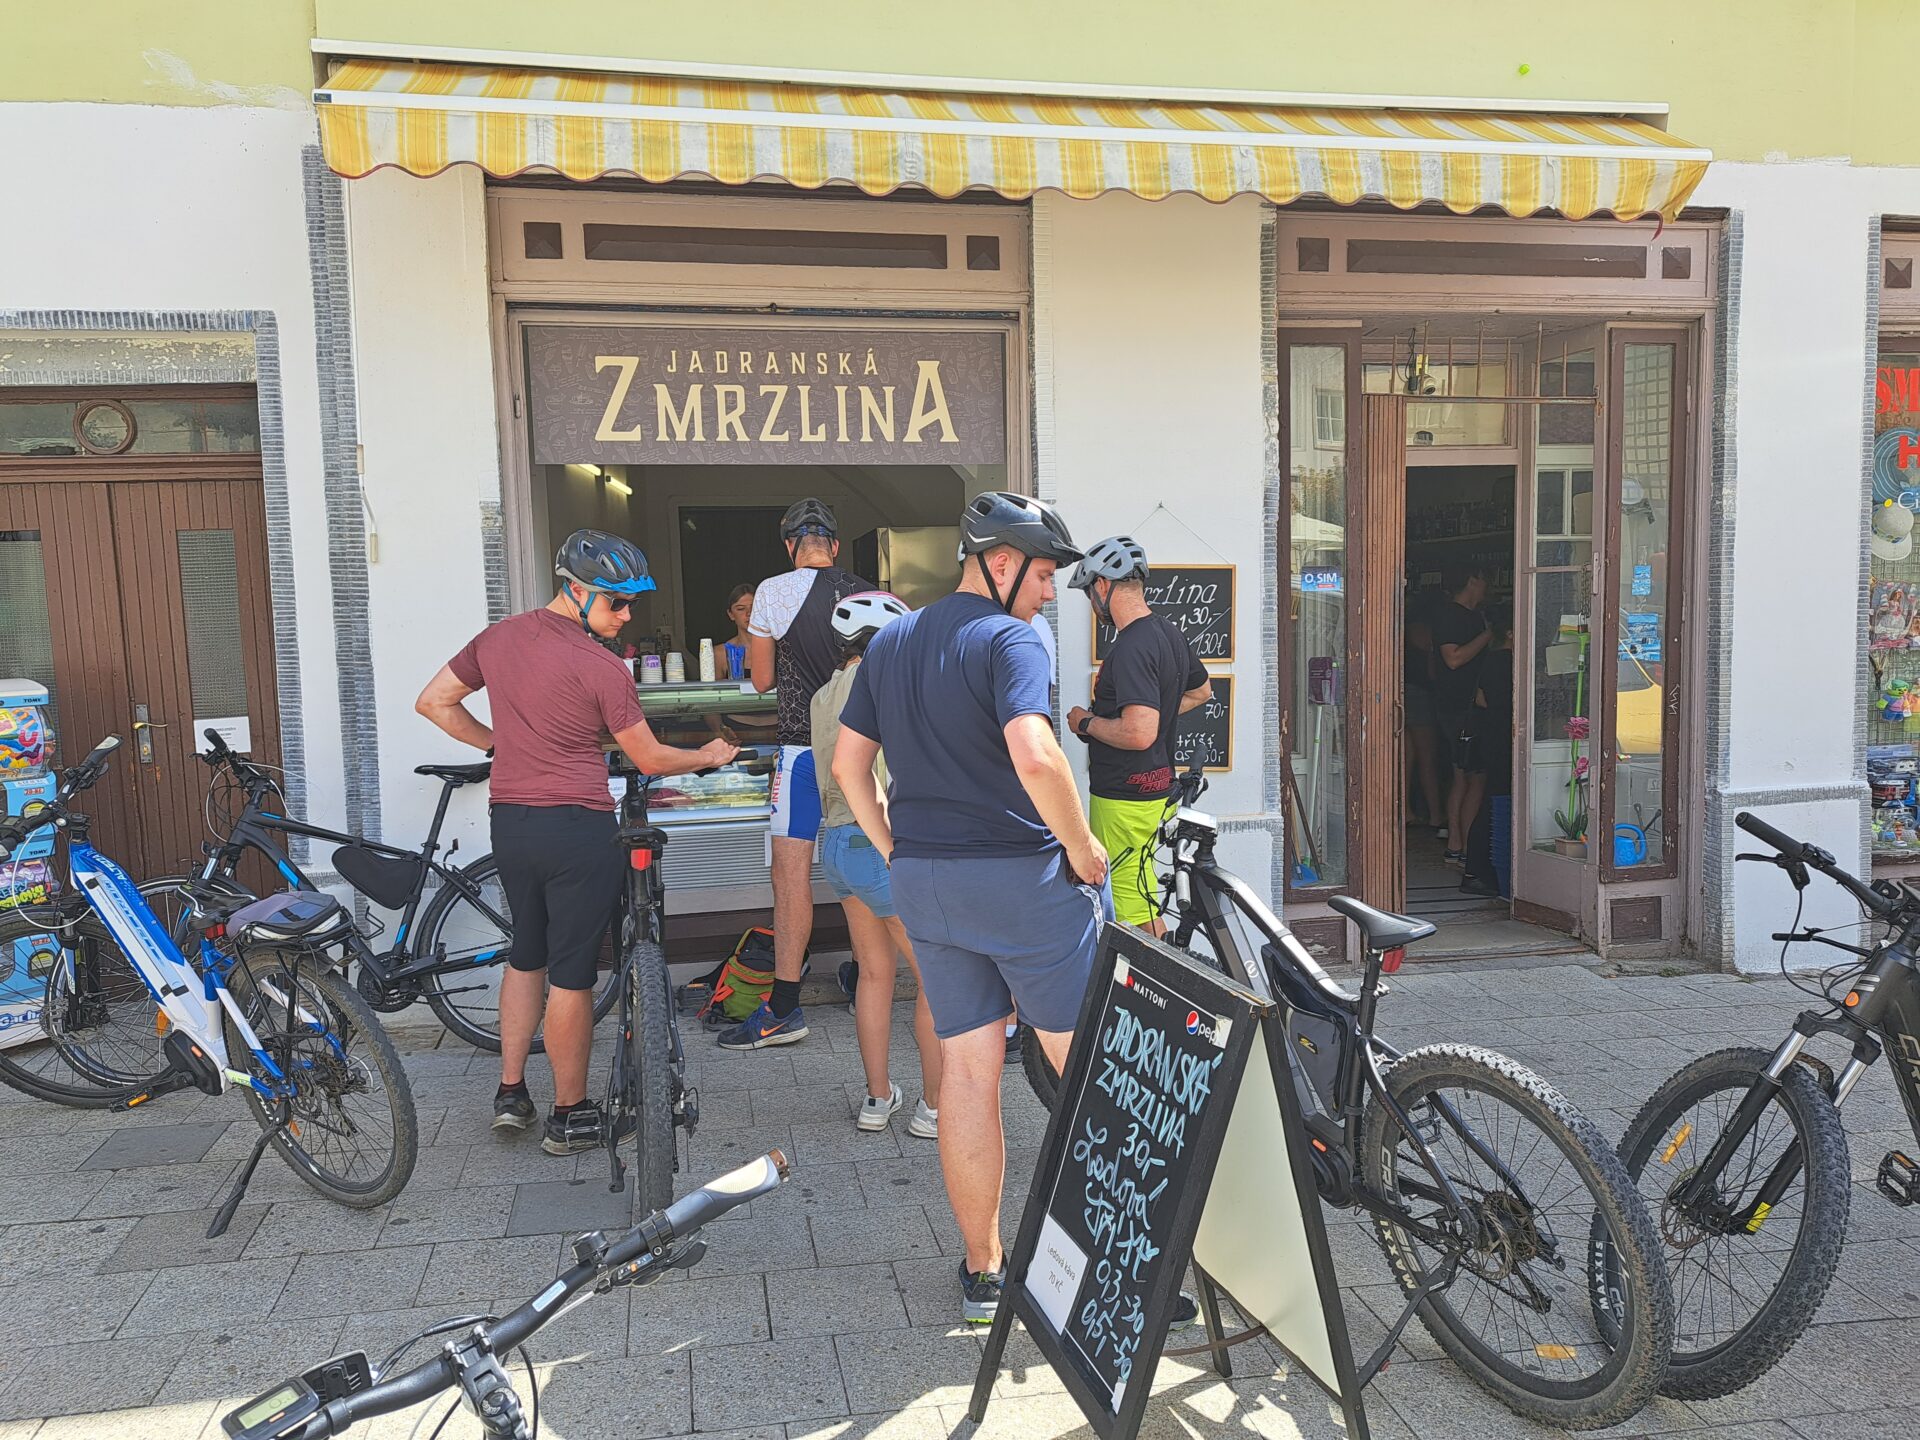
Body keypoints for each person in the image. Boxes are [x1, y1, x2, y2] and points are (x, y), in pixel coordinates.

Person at [832, 491, 1105, 1325]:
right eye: (1045, 573)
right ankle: (1122, 1269)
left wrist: (893, 850)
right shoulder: (1011, 638)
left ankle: (983, 1273)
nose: (1050, 591)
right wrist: (1082, 847)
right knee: (1092, 1073)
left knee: (968, 1075)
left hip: (927, 883)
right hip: (1020, 881)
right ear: (1000, 561)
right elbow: (1036, 753)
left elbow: (847, 766)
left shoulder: (892, 641)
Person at [415, 530, 737, 1152]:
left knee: (525, 952)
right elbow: (649, 757)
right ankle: (569, 1113)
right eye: (617, 602)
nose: (627, 615)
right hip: (578, 826)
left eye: (631, 602)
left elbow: (434, 702)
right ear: (577, 591)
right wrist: (707, 755)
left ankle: (512, 1092)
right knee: (570, 972)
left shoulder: (497, 638)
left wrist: (498, 744)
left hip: (512, 822)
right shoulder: (602, 667)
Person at [724, 498, 872, 1050]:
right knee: (866, 862)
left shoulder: (772, 591)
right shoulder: (868, 593)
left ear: (790, 547)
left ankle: (784, 1008)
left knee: (790, 876)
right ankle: (867, 977)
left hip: (802, 749)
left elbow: (762, 679)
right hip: (863, 749)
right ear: (834, 545)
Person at [811, 590, 942, 1137]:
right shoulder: (883, 683)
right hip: (878, 842)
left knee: (873, 973)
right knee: (940, 980)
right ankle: (935, 1109)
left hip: (836, 846)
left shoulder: (823, 695)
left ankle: (876, 1098)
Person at [1064, 536, 1211, 935]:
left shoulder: (1130, 647)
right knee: (1141, 891)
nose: (1092, 604)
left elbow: (1139, 733)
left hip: (1122, 796)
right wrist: (1156, 716)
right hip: (1156, 789)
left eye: (1088, 593)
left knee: (1127, 902)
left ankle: (1157, 974)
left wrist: (1084, 722)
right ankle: (1161, 968)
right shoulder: (1168, 632)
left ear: (1101, 585)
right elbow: (1202, 691)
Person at [1432, 564, 1492, 865]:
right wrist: (1488, 635)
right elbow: (1453, 658)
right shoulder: (1450, 615)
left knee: (1462, 775)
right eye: (1484, 580)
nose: (1486, 587)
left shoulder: (1473, 616)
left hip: (1463, 706)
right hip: (1459, 707)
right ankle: (1464, 846)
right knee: (1472, 777)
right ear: (1472, 579)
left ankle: (1458, 845)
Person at [1462, 607, 1515, 899]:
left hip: (1492, 738)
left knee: (1492, 802)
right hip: (1503, 740)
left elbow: (1482, 699)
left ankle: (1479, 870)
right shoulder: (1508, 662)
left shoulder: (1489, 660)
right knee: (1495, 805)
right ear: (1511, 633)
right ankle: (1480, 871)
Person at [1404, 608, 1445, 839]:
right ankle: (1435, 815)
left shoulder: (1403, 629)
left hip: (1400, 692)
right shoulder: (1425, 632)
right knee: (1427, 758)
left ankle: (1405, 810)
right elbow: (1431, 671)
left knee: (1406, 757)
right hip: (1420, 694)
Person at [723, 582, 756, 682]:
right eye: (741, 609)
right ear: (731, 614)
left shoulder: (779, 649)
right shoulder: (721, 653)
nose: (748, 613)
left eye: (754, 607)